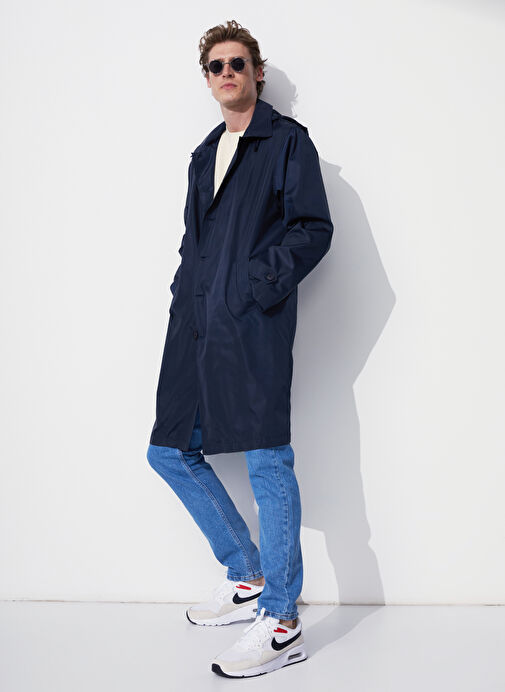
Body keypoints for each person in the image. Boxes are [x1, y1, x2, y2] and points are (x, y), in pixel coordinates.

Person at [146, 19, 333, 678]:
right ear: (207, 79)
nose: (227, 73)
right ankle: (247, 576)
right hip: (195, 324)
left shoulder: (286, 143)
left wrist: (254, 286)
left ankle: (281, 621)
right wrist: (187, 295)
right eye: (216, 66)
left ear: (256, 71)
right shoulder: (204, 155)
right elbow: (194, 243)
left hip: (250, 324)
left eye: (237, 63)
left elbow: (312, 228)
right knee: (168, 450)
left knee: (267, 459)